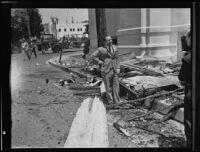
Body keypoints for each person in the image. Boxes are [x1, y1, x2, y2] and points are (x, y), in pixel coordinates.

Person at [90, 36, 120, 104]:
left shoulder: (115, 47)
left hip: (114, 69)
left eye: (111, 40)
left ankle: (117, 102)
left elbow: (117, 58)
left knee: (116, 87)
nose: (111, 41)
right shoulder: (101, 49)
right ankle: (110, 102)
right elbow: (93, 56)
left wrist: (118, 67)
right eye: (109, 40)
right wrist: (98, 61)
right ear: (105, 42)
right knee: (108, 88)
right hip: (106, 70)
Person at [178, 29, 192, 148]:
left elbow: (182, 77)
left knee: (189, 119)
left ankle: (190, 144)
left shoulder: (188, 58)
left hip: (192, 93)